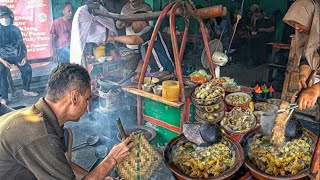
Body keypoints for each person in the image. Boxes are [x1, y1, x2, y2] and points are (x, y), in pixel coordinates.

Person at [0, 63, 134, 179]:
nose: (87, 105)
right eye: (87, 99)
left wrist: (98, 176)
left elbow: (64, 166)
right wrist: (112, 159)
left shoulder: (44, 117)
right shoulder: (40, 134)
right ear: (74, 97)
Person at [107, 11, 174, 81]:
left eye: (132, 22)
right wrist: (137, 73)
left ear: (141, 21)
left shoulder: (151, 31)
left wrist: (114, 38)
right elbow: (142, 60)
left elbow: (133, 40)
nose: (131, 26)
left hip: (164, 72)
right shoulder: (142, 40)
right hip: (153, 73)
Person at [283, 0, 320, 110]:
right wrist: (303, 75)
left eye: (299, 22)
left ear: (312, 18)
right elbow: (307, 58)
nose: (297, 28)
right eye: (294, 25)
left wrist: (315, 90)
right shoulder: (311, 37)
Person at [0, 6, 38, 105]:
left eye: (6, 16)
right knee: (1, 71)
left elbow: (22, 45)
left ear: (10, 17)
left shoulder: (15, 29)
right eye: (2, 16)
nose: (5, 18)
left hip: (16, 55)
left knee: (27, 68)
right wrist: (2, 61)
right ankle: (3, 97)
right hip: (2, 58)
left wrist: (24, 57)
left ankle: (26, 90)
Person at [70, 0, 118, 66]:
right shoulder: (82, 14)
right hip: (88, 53)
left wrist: (112, 50)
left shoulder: (102, 12)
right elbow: (79, 40)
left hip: (105, 49)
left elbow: (110, 29)